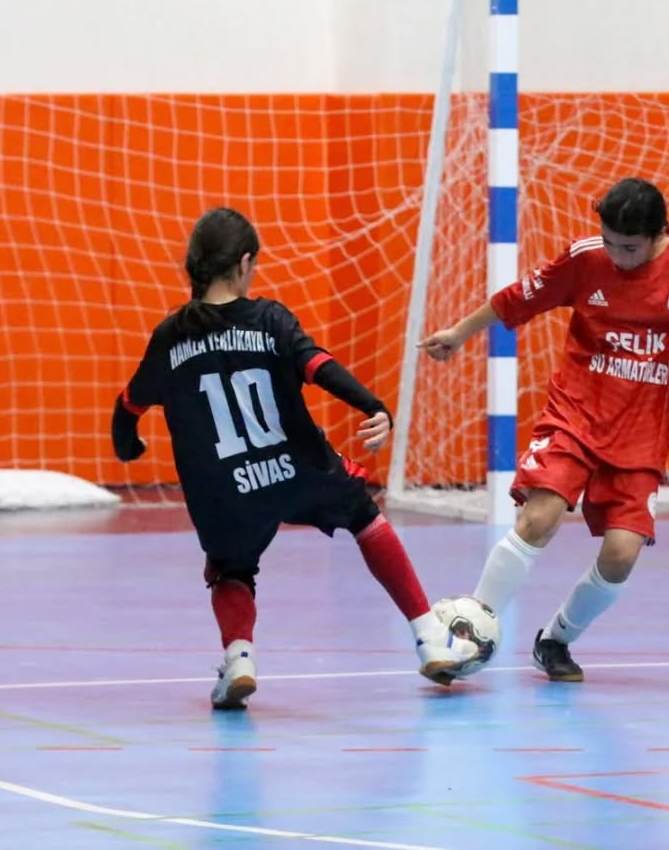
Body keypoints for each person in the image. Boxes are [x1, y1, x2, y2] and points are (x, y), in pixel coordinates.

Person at [111, 207, 478, 710]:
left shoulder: (170, 337)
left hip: (221, 491)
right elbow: (318, 367)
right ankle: (429, 636)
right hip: (294, 469)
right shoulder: (269, 319)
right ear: (244, 264)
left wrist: (127, 443)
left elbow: (128, 403)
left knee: (229, 567)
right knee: (364, 516)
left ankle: (239, 659)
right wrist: (372, 405)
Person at [420, 178, 669, 681]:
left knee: (622, 554)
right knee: (540, 516)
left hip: (641, 438)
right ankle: (473, 630)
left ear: (658, 235)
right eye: (608, 241)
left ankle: (555, 640)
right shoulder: (585, 259)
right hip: (575, 416)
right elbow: (517, 299)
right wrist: (457, 334)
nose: (616, 255)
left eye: (628, 247)